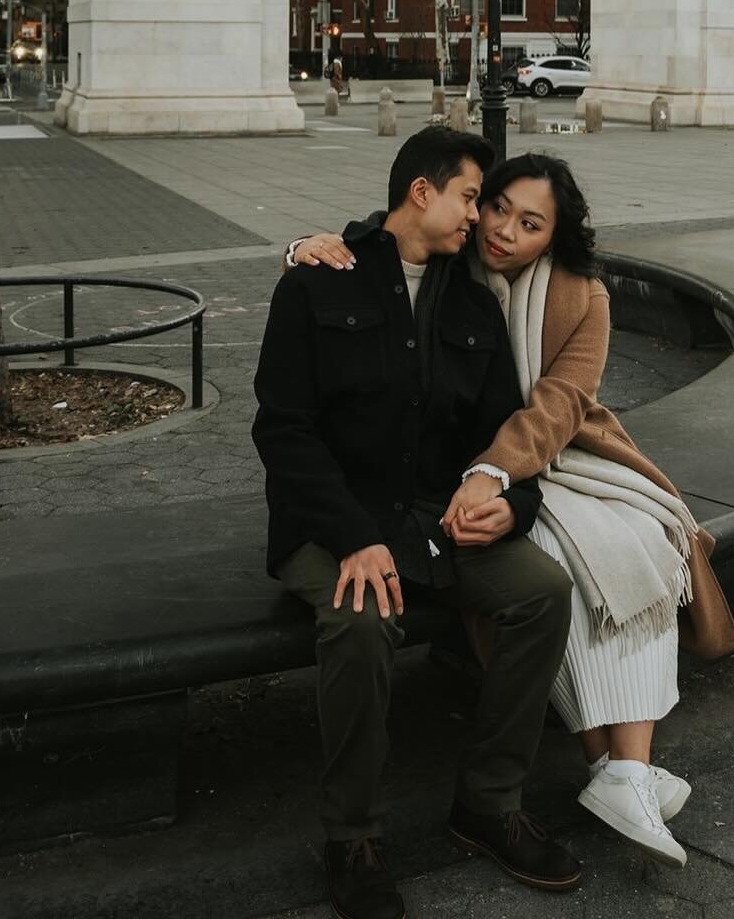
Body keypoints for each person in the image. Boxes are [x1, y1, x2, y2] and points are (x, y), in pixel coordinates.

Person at [286, 152, 734, 869]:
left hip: (545, 457)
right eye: (491, 205)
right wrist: (302, 246)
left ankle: (588, 774)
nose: (496, 227)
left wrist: (503, 486)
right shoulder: (437, 260)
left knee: (619, 548)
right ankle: (362, 840)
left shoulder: (570, 293)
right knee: (390, 611)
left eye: (528, 223)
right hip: (398, 497)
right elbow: (386, 239)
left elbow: (553, 404)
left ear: (553, 237)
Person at [254, 128, 582, 919]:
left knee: (543, 590)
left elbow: (503, 436)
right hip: (331, 526)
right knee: (364, 618)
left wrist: (512, 505)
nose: (479, 217)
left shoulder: (471, 301)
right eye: (473, 197)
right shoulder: (318, 282)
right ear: (422, 192)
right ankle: (354, 837)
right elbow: (282, 430)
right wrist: (353, 537)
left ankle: (488, 803)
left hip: (435, 524)